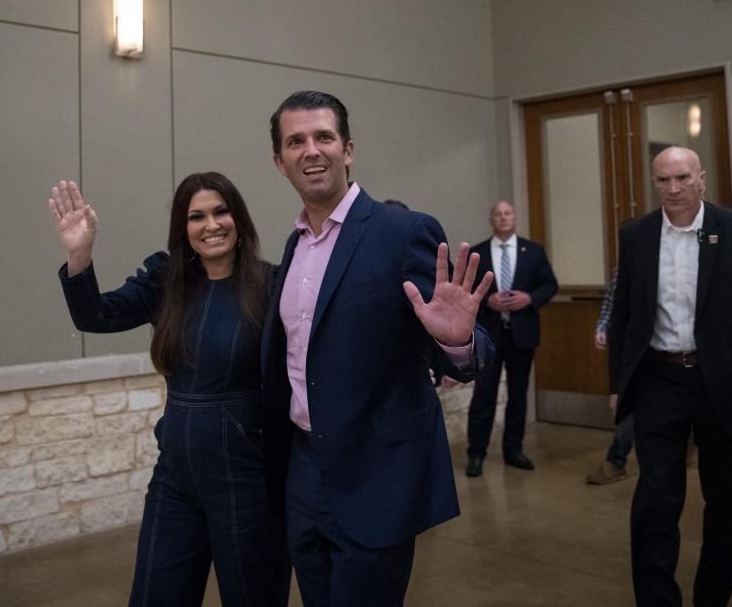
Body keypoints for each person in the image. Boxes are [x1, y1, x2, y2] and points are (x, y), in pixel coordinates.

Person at [262, 90, 494, 607]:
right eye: (295, 142)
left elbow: (464, 347)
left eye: (324, 137)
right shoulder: (294, 245)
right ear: (280, 162)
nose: (311, 150)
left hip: (376, 476)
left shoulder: (403, 232)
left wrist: (455, 339)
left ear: (348, 149)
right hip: (301, 470)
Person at [49, 174, 290, 606]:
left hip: (249, 480)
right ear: (184, 229)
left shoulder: (273, 285)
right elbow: (96, 316)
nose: (211, 224)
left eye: (221, 211)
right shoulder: (166, 281)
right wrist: (79, 252)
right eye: (196, 216)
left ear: (239, 219)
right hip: (176, 479)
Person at [607, 146, 732, 607]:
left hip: (724, 385)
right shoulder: (637, 235)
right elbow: (624, 316)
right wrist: (617, 385)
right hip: (659, 381)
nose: (673, 189)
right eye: (663, 180)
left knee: (723, 504)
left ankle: (712, 599)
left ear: (702, 179)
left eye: (683, 178)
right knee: (656, 500)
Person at [464, 201, 557, 477]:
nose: (503, 218)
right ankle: (476, 453)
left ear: (514, 218)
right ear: (491, 219)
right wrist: (485, 301)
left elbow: (550, 285)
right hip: (488, 337)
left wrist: (530, 298)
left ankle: (513, 450)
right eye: (498, 214)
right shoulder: (477, 254)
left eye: (508, 213)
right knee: (484, 394)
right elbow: (465, 293)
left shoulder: (534, 252)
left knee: (518, 395)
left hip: (522, 335)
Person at [586, 267, 635, 484]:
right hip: (630, 347)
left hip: (666, 350)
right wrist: (603, 327)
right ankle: (616, 460)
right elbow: (611, 302)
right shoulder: (624, 266)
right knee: (627, 404)